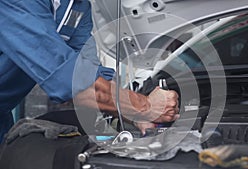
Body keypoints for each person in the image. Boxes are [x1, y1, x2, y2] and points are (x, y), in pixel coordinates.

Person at [0, 0, 179, 143]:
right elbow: (67, 80)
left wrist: (133, 116)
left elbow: (89, 70)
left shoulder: (79, 6)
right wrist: (143, 106)